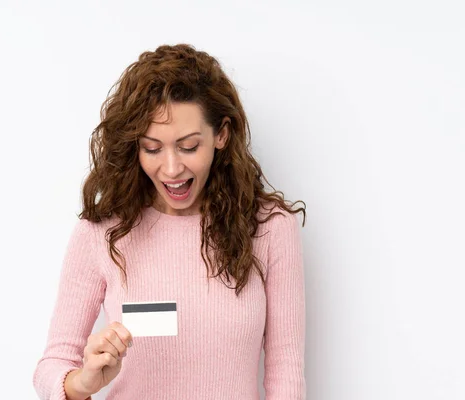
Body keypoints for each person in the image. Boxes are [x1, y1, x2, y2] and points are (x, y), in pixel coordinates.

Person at [32, 43, 307, 400]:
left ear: (221, 135)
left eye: (189, 146)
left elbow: (287, 375)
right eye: (152, 148)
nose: (172, 168)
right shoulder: (102, 233)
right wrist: (83, 382)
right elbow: (52, 365)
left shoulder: (270, 228)